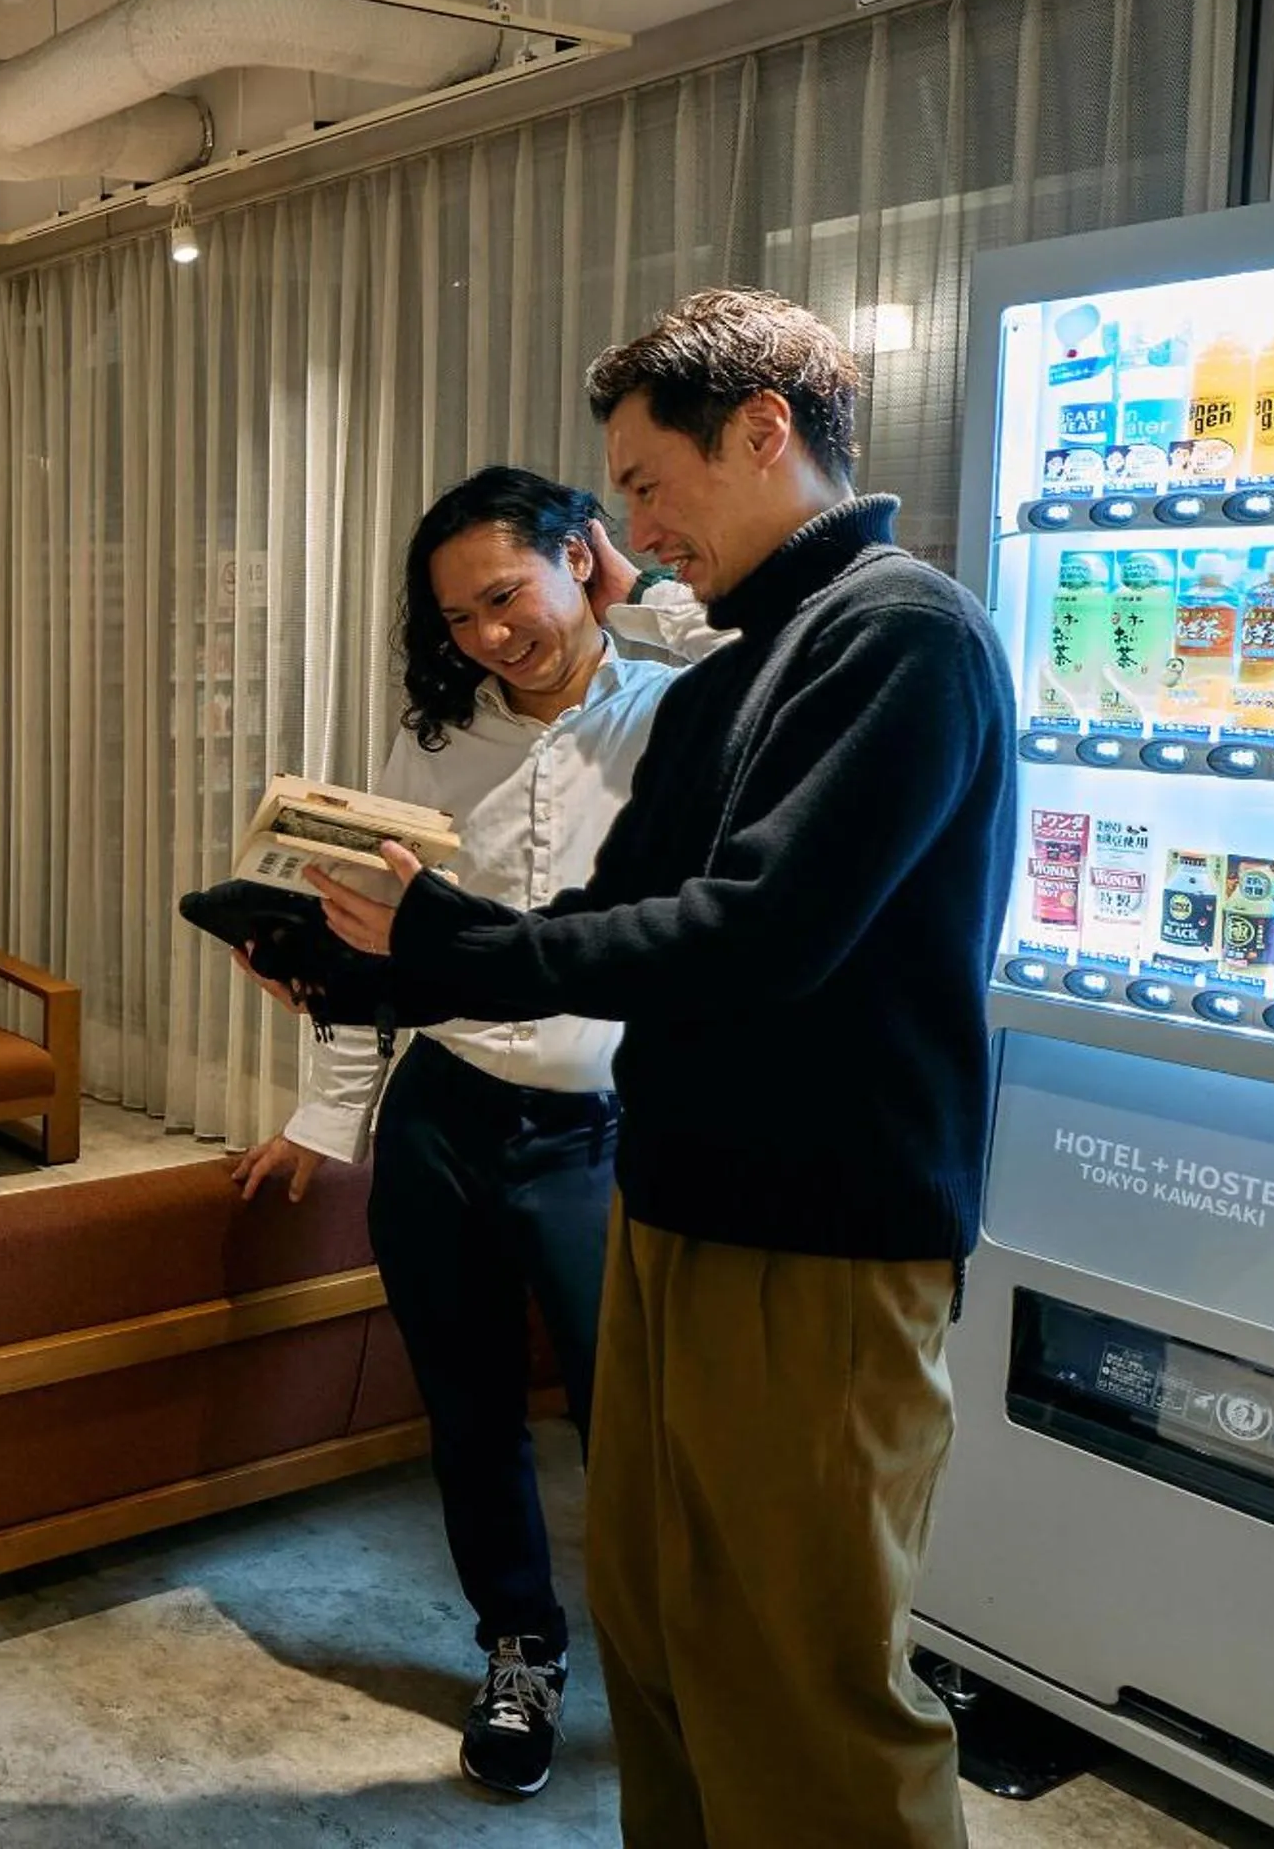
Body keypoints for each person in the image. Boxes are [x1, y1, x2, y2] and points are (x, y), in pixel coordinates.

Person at [310, 289, 1014, 1848]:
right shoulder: (740, 664)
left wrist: (450, 948)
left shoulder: (898, 632)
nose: (629, 530)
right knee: (664, 1635)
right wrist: (379, 959)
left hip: (823, 1236)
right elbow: (614, 915)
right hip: (678, 1203)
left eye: (640, 484)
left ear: (764, 433)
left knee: (804, 1680)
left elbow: (756, 932)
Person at [232, 467, 725, 1800]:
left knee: (636, 1425)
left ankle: (678, 1669)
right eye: (458, 618)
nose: (491, 636)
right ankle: (521, 1648)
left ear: (584, 557)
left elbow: (775, 655)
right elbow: (378, 936)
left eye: (507, 595)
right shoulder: (439, 745)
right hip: (447, 1112)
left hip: (605, 1129)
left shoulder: (683, 710)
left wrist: (650, 607)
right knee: (469, 1409)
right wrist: (329, 1109)